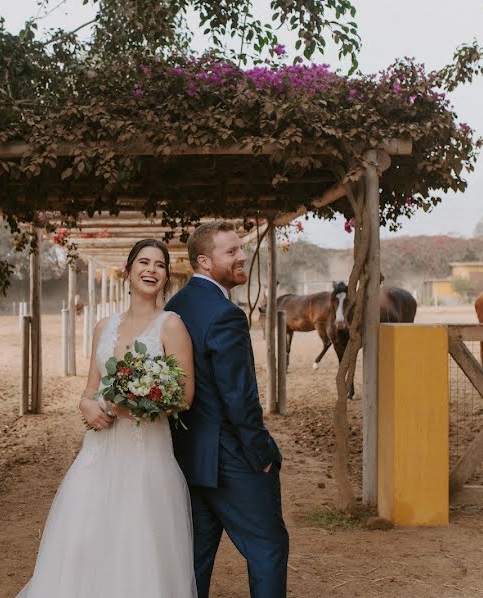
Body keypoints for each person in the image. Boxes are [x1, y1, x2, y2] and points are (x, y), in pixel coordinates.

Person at [17, 239, 198, 598]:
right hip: (98, 452)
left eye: (159, 265)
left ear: (165, 275)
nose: (151, 270)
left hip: (146, 455)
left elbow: (185, 395)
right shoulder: (104, 326)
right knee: (86, 537)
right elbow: (89, 390)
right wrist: (86, 405)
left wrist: (133, 405)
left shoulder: (171, 326)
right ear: (128, 270)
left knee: (139, 542)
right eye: (143, 263)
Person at [165, 221, 289, 598]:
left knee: (196, 559)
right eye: (230, 252)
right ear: (204, 261)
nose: (241, 257)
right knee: (269, 547)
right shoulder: (226, 315)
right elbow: (239, 397)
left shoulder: (175, 306)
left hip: (188, 457)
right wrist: (263, 454)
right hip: (232, 458)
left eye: (240, 249)